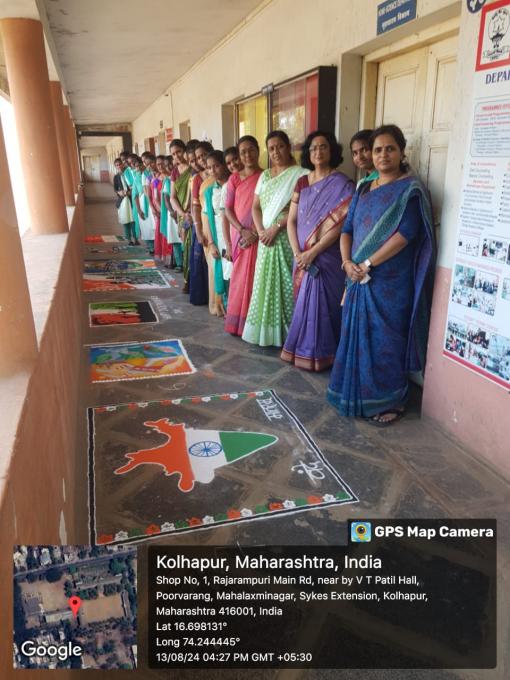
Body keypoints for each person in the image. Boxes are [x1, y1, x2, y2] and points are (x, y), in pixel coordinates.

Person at [327, 124, 436, 425]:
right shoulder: (364, 188)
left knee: (385, 340)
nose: (383, 155)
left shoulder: (410, 190)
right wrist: (347, 262)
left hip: (389, 282)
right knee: (353, 335)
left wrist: (367, 264)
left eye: (390, 149)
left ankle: (391, 400)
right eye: (377, 150)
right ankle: (355, 393)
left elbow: (406, 234)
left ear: (402, 152)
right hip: (356, 276)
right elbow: (347, 229)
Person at [281, 131, 355, 370]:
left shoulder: (343, 184)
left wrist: (313, 252)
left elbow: (340, 226)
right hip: (301, 256)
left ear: (331, 150)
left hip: (326, 257)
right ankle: (302, 351)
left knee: (325, 306)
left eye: (323, 147)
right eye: (313, 148)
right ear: (307, 153)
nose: (318, 152)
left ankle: (325, 354)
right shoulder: (302, 182)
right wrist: (297, 253)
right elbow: (291, 221)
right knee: (304, 303)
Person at [242, 131, 307, 347]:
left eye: (280, 146)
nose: (276, 152)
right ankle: (266, 333)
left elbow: (302, 208)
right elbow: (255, 207)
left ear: (288, 147)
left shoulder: (301, 175)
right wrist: (261, 231)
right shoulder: (265, 176)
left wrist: (276, 228)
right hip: (265, 240)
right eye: (271, 148)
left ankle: (289, 334)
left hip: (286, 238)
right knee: (264, 283)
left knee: (287, 283)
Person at [224, 135, 263, 336]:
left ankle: (251, 324)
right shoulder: (234, 179)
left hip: (259, 236)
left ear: (258, 150)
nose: (247, 155)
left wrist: (256, 232)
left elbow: (269, 209)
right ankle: (236, 323)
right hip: (240, 236)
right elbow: (228, 209)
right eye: (243, 152)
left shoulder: (266, 177)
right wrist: (242, 230)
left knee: (256, 279)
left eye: (251, 150)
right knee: (239, 279)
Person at [202, 150, 232, 316]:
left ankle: (236, 310)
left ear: (224, 165)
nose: (212, 170)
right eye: (209, 167)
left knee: (235, 272)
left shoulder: (234, 184)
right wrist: (211, 243)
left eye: (216, 166)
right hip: (218, 237)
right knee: (223, 273)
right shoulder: (209, 191)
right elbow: (207, 218)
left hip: (235, 235)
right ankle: (227, 309)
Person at [189, 141, 214, 307]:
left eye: (204, 155)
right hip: (203, 225)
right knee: (201, 261)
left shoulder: (220, 171)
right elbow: (195, 207)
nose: (201, 159)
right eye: (198, 157)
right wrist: (198, 230)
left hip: (219, 223)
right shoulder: (197, 179)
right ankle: (203, 296)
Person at [169, 139, 192, 291]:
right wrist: (182, 213)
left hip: (194, 213)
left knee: (194, 247)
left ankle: (194, 281)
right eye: (173, 154)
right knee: (185, 247)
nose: (176, 156)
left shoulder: (193, 168)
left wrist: (189, 212)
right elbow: (172, 197)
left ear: (185, 151)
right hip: (182, 215)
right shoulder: (175, 172)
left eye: (179, 152)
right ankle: (187, 279)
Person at [113, 158, 137, 244]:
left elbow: (133, 184)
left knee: (133, 220)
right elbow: (115, 189)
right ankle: (129, 239)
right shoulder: (116, 177)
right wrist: (119, 192)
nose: (119, 166)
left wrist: (130, 192)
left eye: (120, 164)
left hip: (131, 199)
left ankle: (135, 238)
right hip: (122, 201)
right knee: (125, 220)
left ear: (122, 165)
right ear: (115, 167)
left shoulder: (128, 173)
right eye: (117, 165)